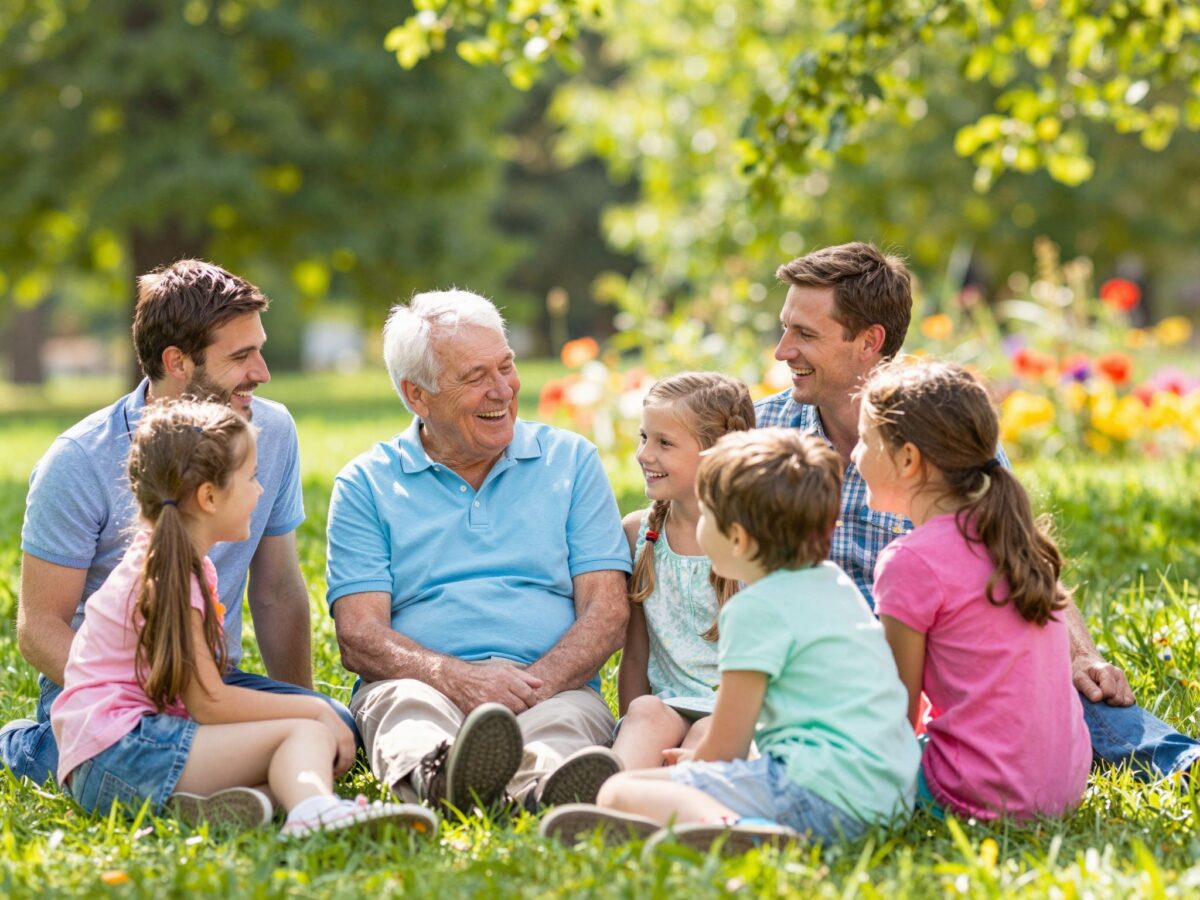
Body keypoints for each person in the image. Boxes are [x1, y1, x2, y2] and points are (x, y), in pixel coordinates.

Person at [754, 240, 1200, 780]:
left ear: (869, 341)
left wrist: (1080, 655)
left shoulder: (941, 426)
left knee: (1052, 685)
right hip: (824, 664)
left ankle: (1181, 764)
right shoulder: (760, 434)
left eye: (804, 334)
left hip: (944, 658)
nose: (782, 351)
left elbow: (1017, 549)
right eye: (785, 328)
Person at [0, 260, 356, 791]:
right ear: (178, 362)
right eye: (240, 356)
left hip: (208, 678)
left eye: (259, 348)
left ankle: (219, 785)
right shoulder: (79, 459)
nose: (262, 371)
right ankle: (34, 747)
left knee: (341, 730)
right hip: (103, 694)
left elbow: (278, 590)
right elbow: (39, 628)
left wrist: (299, 710)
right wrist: (154, 704)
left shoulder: (270, 431)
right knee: (146, 746)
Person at [52, 400, 432, 835]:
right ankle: (314, 813)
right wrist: (312, 713)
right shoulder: (169, 576)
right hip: (124, 755)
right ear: (209, 497)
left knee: (287, 754)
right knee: (306, 735)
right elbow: (209, 702)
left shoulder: (168, 561)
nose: (260, 491)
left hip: (107, 763)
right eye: (250, 478)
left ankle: (225, 806)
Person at [541, 429, 919, 853]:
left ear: (737, 538)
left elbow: (729, 745)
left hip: (816, 798)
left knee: (618, 791)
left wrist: (700, 768)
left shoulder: (753, 608)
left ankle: (735, 829)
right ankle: (705, 826)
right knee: (669, 785)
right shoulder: (834, 585)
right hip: (889, 799)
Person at [326, 289, 631, 813]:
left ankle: (537, 789)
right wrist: (457, 679)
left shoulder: (571, 461)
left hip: (550, 686)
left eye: (506, 367)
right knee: (405, 712)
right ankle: (443, 779)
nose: (503, 390)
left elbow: (607, 611)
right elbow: (360, 636)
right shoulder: (365, 483)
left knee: (563, 723)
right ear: (417, 395)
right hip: (420, 684)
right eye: (475, 377)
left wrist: (535, 685)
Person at [856, 360, 1091, 819]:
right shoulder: (1014, 535)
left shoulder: (910, 561)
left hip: (976, 792)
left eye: (866, 440)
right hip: (1063, 786)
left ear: (907, 459)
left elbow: (896, 715)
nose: (854, 455)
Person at [611, 372, 755, 770]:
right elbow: (636, 657)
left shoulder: (756, 543)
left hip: (736, 713)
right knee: (643, 713)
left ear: (716, 453)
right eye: (644, 437)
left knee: (702, 735)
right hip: (668, 705)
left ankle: (674, 806)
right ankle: (605, 796)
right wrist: (627, 722)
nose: (644, 454)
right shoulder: (641, 535)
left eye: (664, 443)